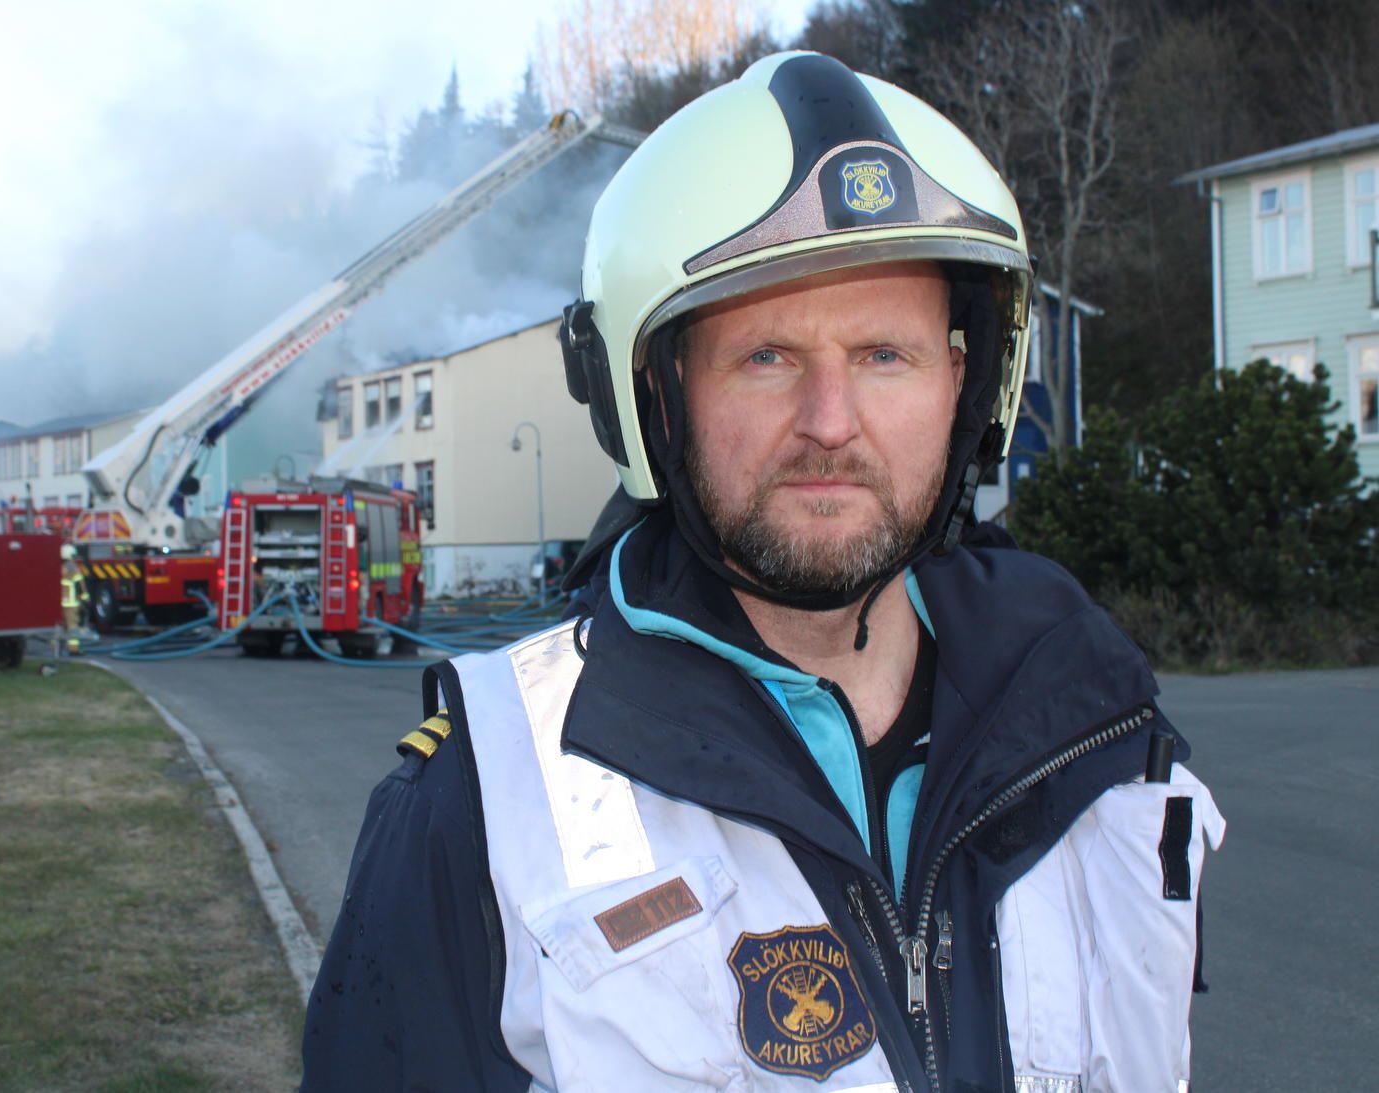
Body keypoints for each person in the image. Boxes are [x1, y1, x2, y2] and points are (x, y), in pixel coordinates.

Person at [302, 52, 1223, 1093]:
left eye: (884, 354)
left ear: (965, 385)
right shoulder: (481, 799)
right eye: (766, 356)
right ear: (653, 395)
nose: (830, 424)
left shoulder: (1102, 745)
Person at [59, 543, 88, 653]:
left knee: (60, 626)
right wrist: (85, 597)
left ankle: (56, 649)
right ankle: (74, 649)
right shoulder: (73, 568)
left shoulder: (59, 567)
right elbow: (80, 585)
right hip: (71, 603)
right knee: (73, 626)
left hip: (59, 603)